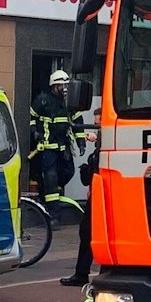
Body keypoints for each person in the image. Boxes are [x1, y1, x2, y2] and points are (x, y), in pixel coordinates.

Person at [58, 116, 100, 287]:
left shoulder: (108, 143)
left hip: (105, 198)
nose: (96, 127)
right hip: (96, 196)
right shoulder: (100, 146)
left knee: (92, 234)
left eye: (99, 123)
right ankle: (81, 274)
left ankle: (98, 273)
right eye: (96, 123)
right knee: (86, 233)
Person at [30, 71, 79, 207]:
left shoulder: (70, 102)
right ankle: (52, 211)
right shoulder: (43, 100)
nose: (65, 88)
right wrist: (35, 132)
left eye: (66, 85)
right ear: (54, 86)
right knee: (51, 176)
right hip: (48, 147)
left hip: (64, 146)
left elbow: (77, 121)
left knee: (69, 172)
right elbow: (31, 117)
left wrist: (81, 141)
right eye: (61, 85)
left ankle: (50, 189)